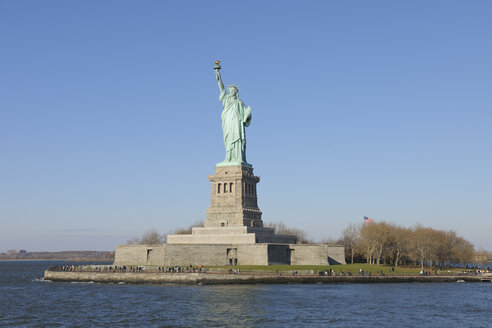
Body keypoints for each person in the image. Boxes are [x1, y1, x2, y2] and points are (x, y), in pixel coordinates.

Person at [215, 68, 252, 165]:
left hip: (237, 123)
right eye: (230, 90)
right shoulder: (226, 99)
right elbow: (221, 89)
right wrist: (218, 76)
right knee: (229, 139)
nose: (231, 91)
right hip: (228, 122)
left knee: (238, 139)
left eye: (233, 90)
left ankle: (239, 158)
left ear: (236, 92)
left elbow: (246, 117)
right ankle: (228, 158)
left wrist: (248, 114)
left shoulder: (240, 102)